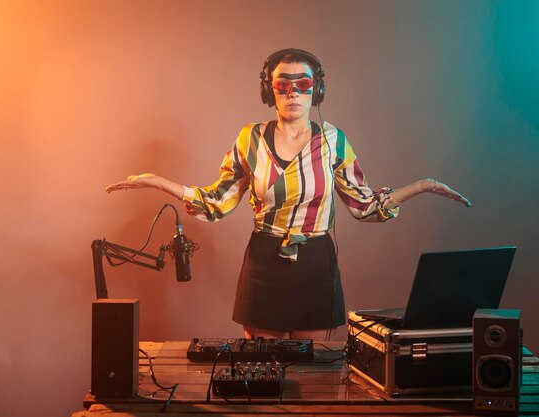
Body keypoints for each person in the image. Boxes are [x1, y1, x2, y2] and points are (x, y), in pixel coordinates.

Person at [106, 48, 471, 341]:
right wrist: (157, 181)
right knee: (261, 371)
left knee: (311, 372)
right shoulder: (250, 138)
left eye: (304, 83)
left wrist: (420, 186)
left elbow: (365, 206)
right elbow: (217, 202)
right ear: (269, 91)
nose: (294, 92)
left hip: (316, 262)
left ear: (318, 89)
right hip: (265, 261)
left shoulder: (333, 141)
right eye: (283, 84)